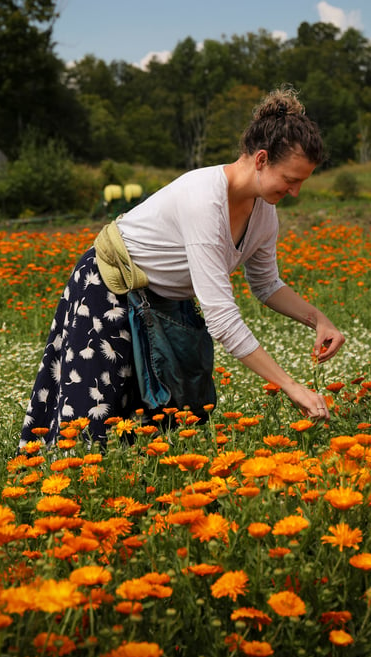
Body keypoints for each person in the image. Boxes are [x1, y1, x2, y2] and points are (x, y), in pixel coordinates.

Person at [19, 86, 345, 450]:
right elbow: (221, 317)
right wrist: (291, 387)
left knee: (160, 422)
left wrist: (319, 320)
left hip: (162, 305)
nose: (296, 192)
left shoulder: (264, 213)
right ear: (261, 159)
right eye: (291, 179)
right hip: (108, 288)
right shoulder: (204, 200)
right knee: (93, 419)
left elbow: (266, 285)